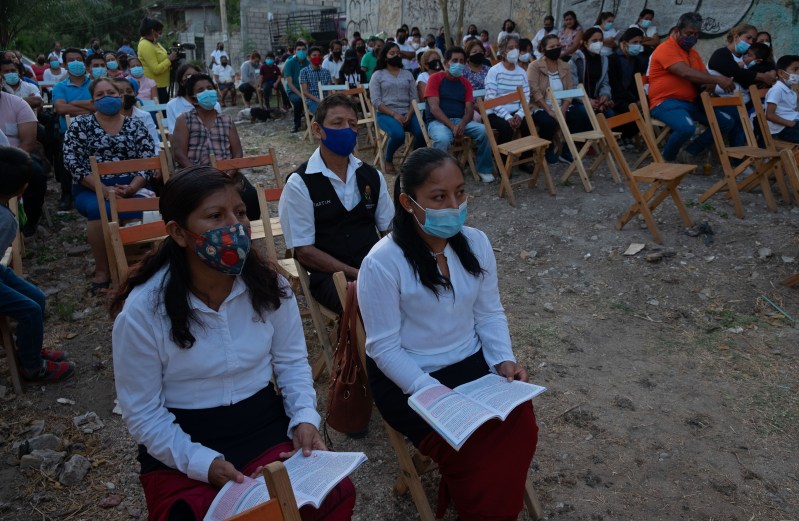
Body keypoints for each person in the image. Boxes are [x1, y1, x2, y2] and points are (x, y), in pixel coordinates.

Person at [111, 166, 356, 521]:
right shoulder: (144, 311)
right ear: (178, 233)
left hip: (262, 423)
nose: (234, 226)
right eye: (215, 216)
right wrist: (204, 464)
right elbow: (144, 413)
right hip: (182, 440)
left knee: (329, 495)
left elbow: (290, 364)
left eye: (240, 213)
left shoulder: (271, 287)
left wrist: (304, 418)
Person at [357, 147, 539, 521]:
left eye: (460, 192)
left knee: (522, 426)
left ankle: (489, 508)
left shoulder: (475, 243)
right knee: (471, 448)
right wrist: (431, 392)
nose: (454, 205)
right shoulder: (382, 261)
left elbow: (489, 312)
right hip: (409, 378)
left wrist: (503, 359)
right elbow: (384, 348)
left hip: (471, 365)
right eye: (439, 197)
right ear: (408, 203)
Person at [278, 95, 393, 312]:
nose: (347, 130)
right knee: (372, 303)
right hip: (330, 277)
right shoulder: (300, 183)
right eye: (337, 123)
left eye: (352, 124)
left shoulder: (372, 177)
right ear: (318, 129)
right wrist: (354, 273)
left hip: (375, 268)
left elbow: (389, 231)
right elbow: (304, 251)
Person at [62, 78, 156, 292]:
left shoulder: (136, 125)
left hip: (132, 185)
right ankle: (103, 270)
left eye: (112, 93)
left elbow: (148, 159)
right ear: (93, 100)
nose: (107, 98)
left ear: (120, 96)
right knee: (100, 210)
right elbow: (72, 162)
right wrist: (103, 190)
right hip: (92, 188)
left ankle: (144, 265)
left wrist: (132, 187)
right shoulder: (80, 125)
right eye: (100, 95)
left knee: (152, 207)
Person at [0, 147, 75, 382]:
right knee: (30, 310)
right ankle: (32, 367)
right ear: (23, 188)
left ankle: (29, 349)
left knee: (37, 298)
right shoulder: (5, 222)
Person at [648, 12, 736, 163]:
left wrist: (710, 83)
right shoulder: (665, 48)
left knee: (726, 122)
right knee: (686, 128)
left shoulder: (693, 53)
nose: (693, 37)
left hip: (691, 102)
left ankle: (689, 152)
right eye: (689, 33)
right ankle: (666, 162)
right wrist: (717, 79)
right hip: (665, 102)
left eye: (696, 34)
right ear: (677, 31)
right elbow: (685, 72)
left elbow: (703, 75)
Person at [171, 73, 260, 220]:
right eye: (200, 90)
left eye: (209, 88)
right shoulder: (184, 120)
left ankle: (246, 235)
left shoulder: (226, 120)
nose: (207, 92)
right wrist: (200, 175)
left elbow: (237, 153)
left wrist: (227, 174)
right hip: (195, 175)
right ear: (193, 97)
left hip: (226, 175)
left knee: (250, 196)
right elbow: (179, 154)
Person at [423, 46, 495, 183]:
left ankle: (484, 169)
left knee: (485, 131)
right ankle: (439, 175)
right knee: (442, 139)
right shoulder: (435, 79)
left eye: (462, 61)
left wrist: (461, 124)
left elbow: (469, 109)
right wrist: (452, 126)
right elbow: (434, 108)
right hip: (438, 122)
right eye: (454, 60)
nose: (458, 64)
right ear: (445, 63)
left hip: (460, 120)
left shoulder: (466, 83)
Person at [529, 34, 591, 163]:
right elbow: (534, 91)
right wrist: (550, 111)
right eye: (552, 46)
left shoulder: (564, 65)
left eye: (558, 46)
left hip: (562, 105)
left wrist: (563, 109)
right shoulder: (534, 66)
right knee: (548, 121)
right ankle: (548, 148)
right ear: (543, 49)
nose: (556, 48)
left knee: (582, 114)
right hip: (541, 106)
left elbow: (569, 90)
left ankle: (568, 150)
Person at [0, 74, 47, 235]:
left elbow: (28, 142)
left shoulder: (17, 103)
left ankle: (30, 223)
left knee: (35, 174)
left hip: (15, 157)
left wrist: (11, 163)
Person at [369, 42, 424, 176]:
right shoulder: (378, 75)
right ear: (385, 57)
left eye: (398, 53)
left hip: (408, 112)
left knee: (422, 132)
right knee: (398, 134)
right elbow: (376, 101)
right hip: (386, 114)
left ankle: (414, 161)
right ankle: (388, 159)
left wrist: (410, 115)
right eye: (392, 53)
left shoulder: (407, 74)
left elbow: (414, 98)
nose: (396, 56)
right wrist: (394, 115)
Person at [52, 47, 93, 210]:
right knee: (65, 156)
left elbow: (100, 106)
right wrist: (90, 107)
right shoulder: (60, 87)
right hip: (69, 132)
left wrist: (72, 104)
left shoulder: (95, 83)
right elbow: (61, 109)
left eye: (79, 59)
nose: (76, 63)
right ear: (65, 65)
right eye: (71, 60)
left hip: (95, 129)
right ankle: (67, 193)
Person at [707, 24, 777, 104]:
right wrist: (761, 77)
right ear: (736, 37)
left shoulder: (746, 56)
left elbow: (765, 63)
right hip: (724, 104)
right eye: (748, 38)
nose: (751, 42)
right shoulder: (721, 54)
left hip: (747, 105)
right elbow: (736, 72)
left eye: (753, 40)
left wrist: (773, 71)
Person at [484, 35, 531, 145]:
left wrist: (520, 114)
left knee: (529, 124)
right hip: (494, 112)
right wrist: (507, 116)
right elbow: (491, 98)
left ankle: (525, 160)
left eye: (516, 47)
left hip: (515, 111)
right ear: (502, 51)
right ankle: (504, 160)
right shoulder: (494, 71)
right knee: (506, 128)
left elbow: (526, 95)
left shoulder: (522, 72)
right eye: (510, 48)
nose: (514, 50)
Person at [608, 28, 647, 141]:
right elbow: (614, 84)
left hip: (632, 96)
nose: (638, 45)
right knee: (628, 109)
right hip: (617, 97)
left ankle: (628, 138)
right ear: (625, 43)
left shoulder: (638, 61)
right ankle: (621, 138)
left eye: (640, 42)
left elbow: (637, 83)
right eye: (635, 42)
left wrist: (639, 98)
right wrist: (633, 100)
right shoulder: (613, 59)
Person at [569, 27, 615, 116]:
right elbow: (572, 87)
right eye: (594, 41)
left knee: (610, 114)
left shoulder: (604, 60)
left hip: (596, 100)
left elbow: (605, 83)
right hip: (578, 100)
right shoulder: (576, 60)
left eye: (600, 40)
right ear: (586, 43)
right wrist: (587, 101)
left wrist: (604, 96)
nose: (598, 43)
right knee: (587, 113)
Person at [166, 63, 221, 134]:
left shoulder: (213, 104)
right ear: (181, 82)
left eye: (196, 76)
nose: (193, 79)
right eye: (188, 76)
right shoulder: (172, 105)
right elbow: (173, 134)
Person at [112, 77, 160, 155]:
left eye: (129, 91)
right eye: (120, 92)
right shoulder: (108, 118)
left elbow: (155, 144)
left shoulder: (144, 116)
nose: (125, 95)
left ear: (135, 93)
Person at [137, 17, 178, 104]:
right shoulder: (145, 45)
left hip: (161, 84)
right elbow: (155, 69)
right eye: (159, 32)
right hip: (155, 86)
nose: (160, 35)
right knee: (161, 112)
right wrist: (169, 60)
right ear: (152, 31)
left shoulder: (154, 43)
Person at [765, 55, 799, 144]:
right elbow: (769, 115)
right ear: (780, 73)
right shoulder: (777, 90)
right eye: (795, 69)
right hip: (782, 129)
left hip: (793, 122)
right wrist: (790, 123)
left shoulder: (790, 89)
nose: (798, 73)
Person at [299, 47, 334, 118]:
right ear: (309, 58)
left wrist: (327, 100)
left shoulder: (326, 71)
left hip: (326, 99)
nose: (317, 57)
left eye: (319, 55)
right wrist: (319, 100)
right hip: (312, 101)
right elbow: (305, 92)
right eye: (314, 55)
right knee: (323, 113)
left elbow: (329, 90)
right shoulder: (304, 72)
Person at [285, 41, 311, 133]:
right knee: (298, 101)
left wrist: (307, 93)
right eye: (299, 49)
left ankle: (311, 122)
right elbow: (289, 83)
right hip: (293, 90)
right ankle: (297, 124)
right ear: (294, 51)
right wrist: (301, 95)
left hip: (306, 90)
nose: (301, 51)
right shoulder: (290, 63)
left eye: (303, 49)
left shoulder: (308, 63)